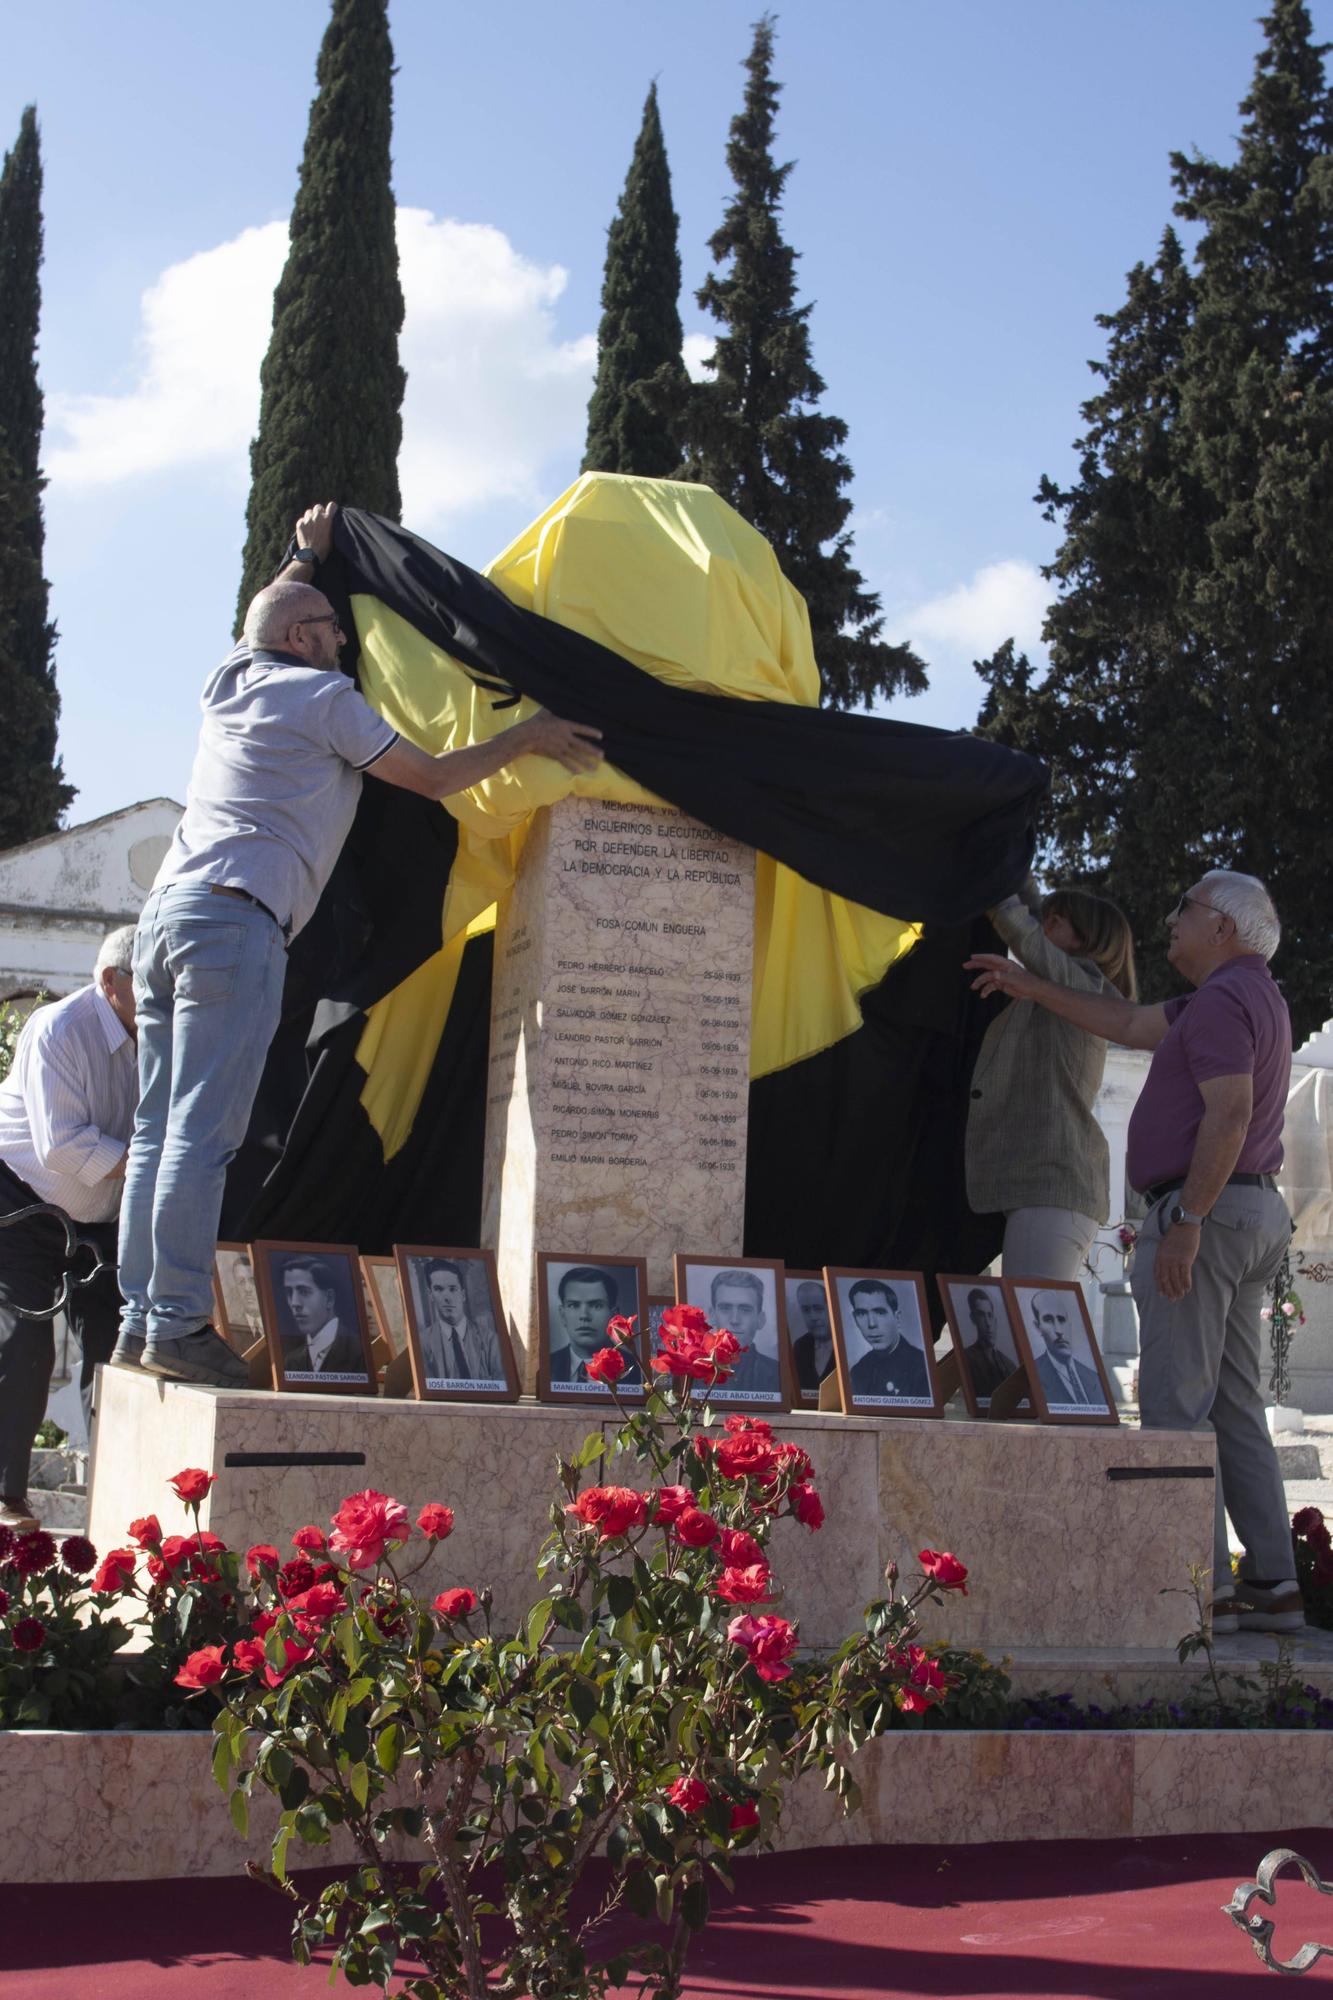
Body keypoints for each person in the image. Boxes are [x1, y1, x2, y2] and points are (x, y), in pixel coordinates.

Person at [111, 502, 602, 1387]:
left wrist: (307, 555)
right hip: (235, 923)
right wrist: (527, 734)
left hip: (163, 923)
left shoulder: (227, 680)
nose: (346, 641)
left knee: (156, 1130)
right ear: (303, 640)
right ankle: (179, 1324)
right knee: (201, 1132)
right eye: (335, 629)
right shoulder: (321, 698)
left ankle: (140, 1320)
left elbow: (278, 603)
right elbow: (437, 778)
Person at [967, 869, 1299, 1633]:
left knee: (1175, 1409)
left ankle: (1194, 1589)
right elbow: (1125, 1024)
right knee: (1234, 1405)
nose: (1171, 917)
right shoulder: (1249, 994)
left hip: (1206, 1213)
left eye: (1184, 907)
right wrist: (1034, 986)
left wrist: (1185, 1220)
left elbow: (1228, 1113)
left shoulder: (1220, 1000)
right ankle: (1273, 1585)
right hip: (1251, 1213)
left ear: (1221, 928)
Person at [0, 929, 138, 1530]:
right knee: (25, 1340)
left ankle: (117, 1502)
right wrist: (151, 1158)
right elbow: (61, 1147)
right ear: (111, 982)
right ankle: (7, 1497)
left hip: (101, 1211)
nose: (168, 996)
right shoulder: (58, 1027)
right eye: (153, 984)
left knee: (113, 1348)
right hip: (21, 1196)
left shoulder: (158, 1031)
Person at [966, 883, 1138, 1279]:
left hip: (1052, 1188)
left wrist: (993, 866)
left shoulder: (1086, 984)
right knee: (1029, 1329)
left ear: (1086, 939)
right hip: (1046, 1189)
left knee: (1030, 1330)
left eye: (1055, 922)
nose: (1043, 926)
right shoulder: (1061, 993)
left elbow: (1018, 926)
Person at [549, 1265, 642, 1387]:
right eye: (573, 1305)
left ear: (614, 1315)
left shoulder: (637, 1370)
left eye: (596, 1306)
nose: (584, 1316)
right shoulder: (548, 1366)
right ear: (562, 1314)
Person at [418, 1257, 504, 1383]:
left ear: (463, 1295)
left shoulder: (490, 1340)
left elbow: (501, 1384)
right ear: (431, 1295)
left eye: (453, 1289)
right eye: (439, 1289)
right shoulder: (423, 1343)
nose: (447, 1297)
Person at [279, 1255, 365, 1377]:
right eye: (289, 1292)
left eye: (304, 1291)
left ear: (329, 1298)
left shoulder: (360, 1352)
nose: (294, 1303)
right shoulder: (292, 1361)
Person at [846, 1278, 930, 1402]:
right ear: (855, 1319)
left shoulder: (922, 1367)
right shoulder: (858, 1370)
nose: (872, 1324)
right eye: (862, 1313)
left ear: (897, 1317)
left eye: (879, 1312)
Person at [709, 1268, 781, 1398]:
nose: (735, 1320)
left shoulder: (778, 1373)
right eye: (725, 1308)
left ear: (760, 1319)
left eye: (745, 1310)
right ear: (712, 1315)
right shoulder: (691, 1375)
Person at [1027, 1289, 1104, 1408]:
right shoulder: (1032, 1375)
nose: (1059, 1331)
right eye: (1048, 1320)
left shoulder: (1093, 1377)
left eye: (1062, 1320)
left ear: (1069, 1324)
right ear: (1038, 1327)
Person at [960, 1286, 1018, 1400]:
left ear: (995, 1321)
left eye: (990, 1315)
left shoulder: (1009, 1365)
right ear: (973, 1318)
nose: (988, 1323)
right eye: (981, 1315)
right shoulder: (966, 1358)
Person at [790, 1279, 834, 1396]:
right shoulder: (800, 1346)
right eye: (806, 1310)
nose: (813, 1317)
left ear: (831, 1308)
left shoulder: (846, 1345)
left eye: (818, 1309)